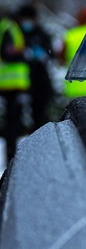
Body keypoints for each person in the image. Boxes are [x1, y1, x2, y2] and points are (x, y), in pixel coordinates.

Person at [16, 3, 54, 130]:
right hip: (21, 82)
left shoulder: (41, 34)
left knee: (40, 116)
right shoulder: (16, 33)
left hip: (40, 82)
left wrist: (43, 55)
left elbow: (50, 53)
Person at [1, 11, 31, 164]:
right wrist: (23, 54)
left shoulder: (5, 27)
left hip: (7, 83)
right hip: (11, 84)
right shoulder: (9, 28)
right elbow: (7, 54)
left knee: (12, 122)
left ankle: (11, 156)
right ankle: (11, 157)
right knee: (13, 123)